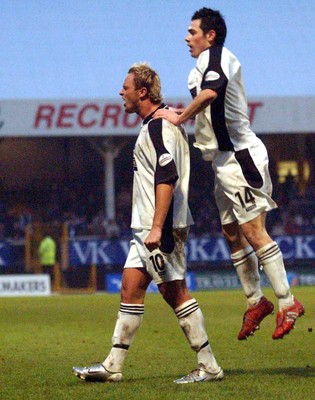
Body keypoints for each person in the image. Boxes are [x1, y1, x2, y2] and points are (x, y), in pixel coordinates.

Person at [154, 8, 304, 340]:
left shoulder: (220, 57)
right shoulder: (198, 68)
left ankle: (287, 302)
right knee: (231, 233)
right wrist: (182, 114)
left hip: (240, 156)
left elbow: (211, 94)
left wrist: (179, 119)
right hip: (221, 162)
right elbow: (206, 105)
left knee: (253, 231)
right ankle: (256, 301)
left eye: (192, 31)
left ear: (211, 35)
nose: (186, 37)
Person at [72, 63, 223, 384]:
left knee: (174, 290)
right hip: (146, 226)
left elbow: (167, 176)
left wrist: (157, 227)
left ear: (142, 92)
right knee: (130, 286)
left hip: (160, 226)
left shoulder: (158, 127)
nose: (120, 92)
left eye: (125, 87)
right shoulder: (161, 123)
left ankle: (209, 365)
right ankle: (113, 365)